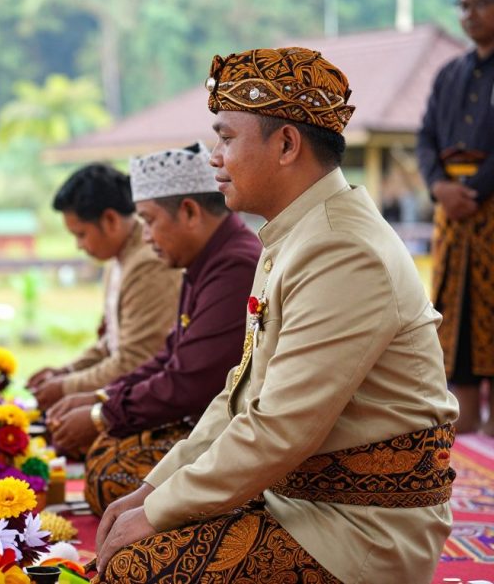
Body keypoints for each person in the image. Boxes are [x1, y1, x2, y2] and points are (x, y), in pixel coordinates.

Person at [93, 47, 458, 584]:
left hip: (359, 528)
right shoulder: (296, 235)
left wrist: (157, 511)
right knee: (129, 513)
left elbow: (279, 427)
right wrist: (155, 489)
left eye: (227, 137)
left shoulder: (340, 249)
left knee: (135, 568)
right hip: (298, 499)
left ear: (286, 144)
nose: (214, 157)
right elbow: (240, 395)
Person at [47, 142, 261, 516]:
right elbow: (170, 355)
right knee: (107, 459)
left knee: (112, 474)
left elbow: (188, 382)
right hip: (202, 423)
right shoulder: (205, 262)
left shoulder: (234, 265)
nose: (145, 237)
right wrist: (102, 399)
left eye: (148, 221)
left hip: (236, 439)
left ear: (190, 212)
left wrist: (104, 414)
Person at [28, 164, 180, 410]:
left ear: (110, 220)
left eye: (81, 234)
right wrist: (65, 372)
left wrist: (66, 386)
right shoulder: (117, 261)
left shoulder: (148, 264)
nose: (78, 245)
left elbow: (135, 360)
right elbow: (113, 343)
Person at [418, 0, 494, 435]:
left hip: (488, 209)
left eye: (479, 4)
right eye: (462, 6)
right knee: (457, 320)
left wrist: (476, 189)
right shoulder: (448, 74)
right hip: (452, 214)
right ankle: (466, 430)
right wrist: (439, 187)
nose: (469, 14)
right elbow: (425, 137)